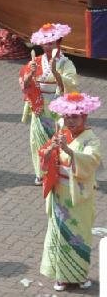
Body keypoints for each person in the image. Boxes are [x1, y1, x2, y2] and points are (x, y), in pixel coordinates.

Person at [38, 92, 102, 292]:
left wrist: (70, 152)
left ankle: (79, 276)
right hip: (61, 194)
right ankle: (62, 277)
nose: (70, 121)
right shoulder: (61, 134)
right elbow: (44, 153)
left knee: (79, 233)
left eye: (75, 117)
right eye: (67, 117)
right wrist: (49, 152)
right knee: (60, 234)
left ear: (84, 117)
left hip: (79, 197)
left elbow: (92, 161)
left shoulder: (91, 140)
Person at [19, 23, 78, 185]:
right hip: (39, 107)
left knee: (59, 141)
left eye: (51, 43)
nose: (47, 46)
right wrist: (29, 75)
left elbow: (71, 85)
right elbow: (24, 86)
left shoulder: (66, 63)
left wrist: (56, 73)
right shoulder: (35, 61)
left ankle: (59, 171)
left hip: (58, 108)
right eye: (45, 43)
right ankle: (41, 173)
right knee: (37, 141)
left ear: (58, 43)